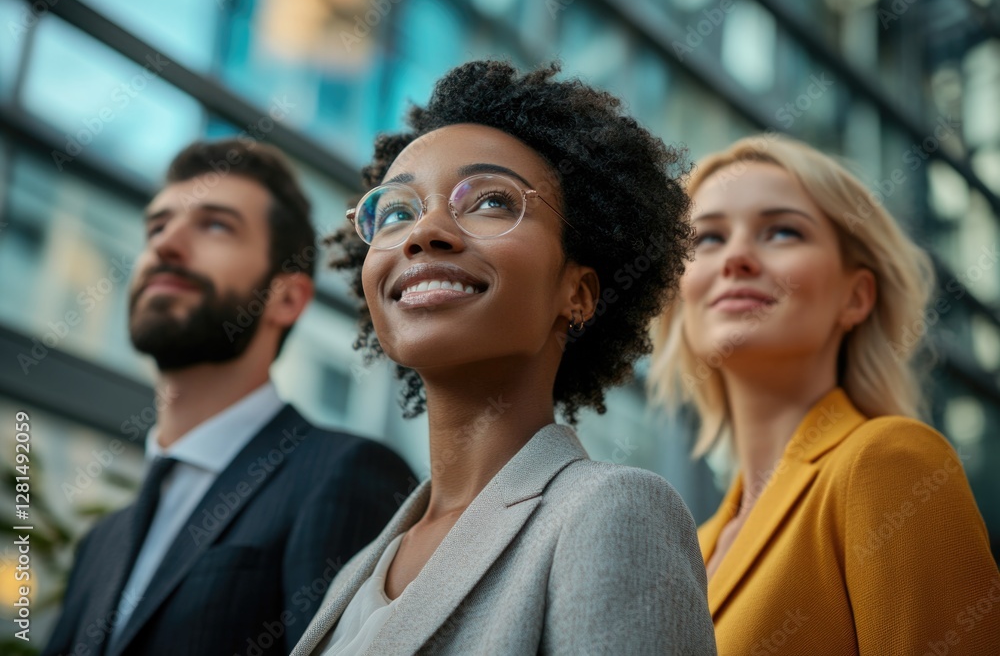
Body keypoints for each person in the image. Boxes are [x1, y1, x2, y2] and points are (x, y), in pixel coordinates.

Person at [290, 60, 716, 655]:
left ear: (579, 292)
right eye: (395, 213)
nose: (424, 231)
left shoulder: (611, 511)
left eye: (490, 201)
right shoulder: (358, 572)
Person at [44, 139, 415, 656]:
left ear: (285, 299)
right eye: (157, 226)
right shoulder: (100, 544)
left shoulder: (346, 475)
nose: (166, 245)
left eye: (215, 225)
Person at [648, 134, 1000, 655]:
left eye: (782, 231)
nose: (736, 258)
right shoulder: (689, 548)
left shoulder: (890, 462)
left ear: (855, 297)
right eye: (707, 239)